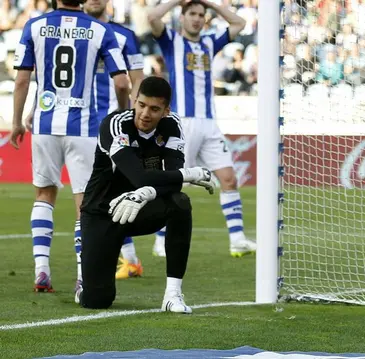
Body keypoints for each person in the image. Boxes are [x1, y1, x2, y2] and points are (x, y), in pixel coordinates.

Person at [9, 0, 129, 293]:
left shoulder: (34, 25)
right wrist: (121, 116)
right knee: (84, 205)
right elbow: (123, 83)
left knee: (44, 193)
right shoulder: (100, 29)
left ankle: (41, 270)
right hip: (84, 128)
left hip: (46, 125)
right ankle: (82, 276)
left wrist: (16, 121)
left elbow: (22, 79)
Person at [77, 76, 216, 312]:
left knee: (180, 203)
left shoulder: (172, 125)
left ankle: (173, 295)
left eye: (154, 109)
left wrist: (146, 193)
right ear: (134, 100)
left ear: (165, 110)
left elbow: (171, 179)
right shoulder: (115, 124)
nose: (145, 114)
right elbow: (139, 176)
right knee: (98, 300)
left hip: (140, 207)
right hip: (102, 212)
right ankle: (84, 279)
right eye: (141, 105)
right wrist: (189, 174)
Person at [147, 0, 257, 258]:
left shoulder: (209, 42)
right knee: (174, 182)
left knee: (228, 178)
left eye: (200, 15)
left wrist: (210, 3)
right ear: (182, 17)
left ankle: (238, 239)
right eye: (192, 14)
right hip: (183, 122)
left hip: (210, 122)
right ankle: (160, 239)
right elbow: (152, 16)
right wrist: (177, 2)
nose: (197, 19)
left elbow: (238, 23)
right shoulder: (170, 40)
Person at [84, 0, 146, 280]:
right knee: (98, 194)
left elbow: (136, 80)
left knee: (109, 193)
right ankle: (128, 260)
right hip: (80, 124)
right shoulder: (74, 32)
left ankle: (117, 260)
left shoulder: (124, 36)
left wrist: (132, 119)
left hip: (113, 125)